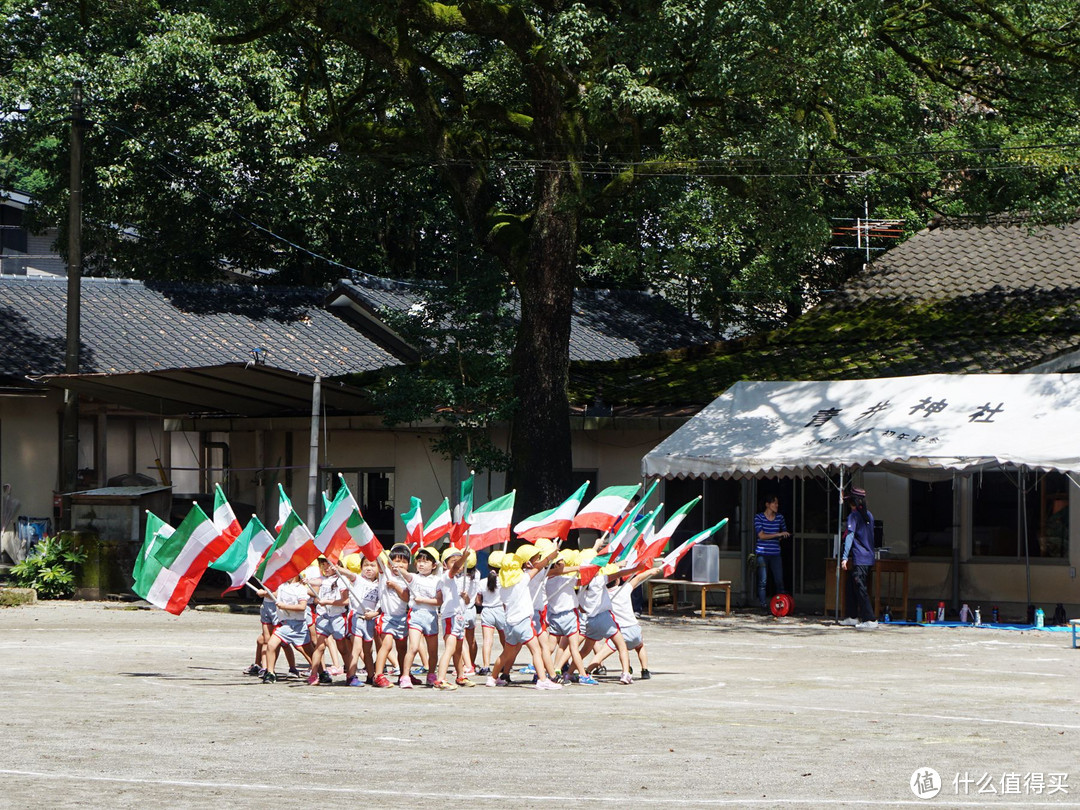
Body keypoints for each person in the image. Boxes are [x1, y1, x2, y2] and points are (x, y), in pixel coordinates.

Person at [840, 487, 877, 629]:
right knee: (851, 586)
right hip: (868, 557)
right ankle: (852, 616)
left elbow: (849, 536)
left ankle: (870, 619)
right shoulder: (869, 515)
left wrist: (844, 557)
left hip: (860, 557)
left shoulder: (853, 516)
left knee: (860, 588)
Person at [753, 494, 790, 610]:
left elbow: (784, 533)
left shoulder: (780, 517)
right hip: (762, 553)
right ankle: (763, 605)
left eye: (777, 503)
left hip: (775, 553)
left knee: (779, 580)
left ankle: (782, 605)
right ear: (767, 505)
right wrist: (777, 535)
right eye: (774, 503)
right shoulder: (758, 517)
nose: (777, 505)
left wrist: (781, 536)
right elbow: (761, 535)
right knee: (763, 581)